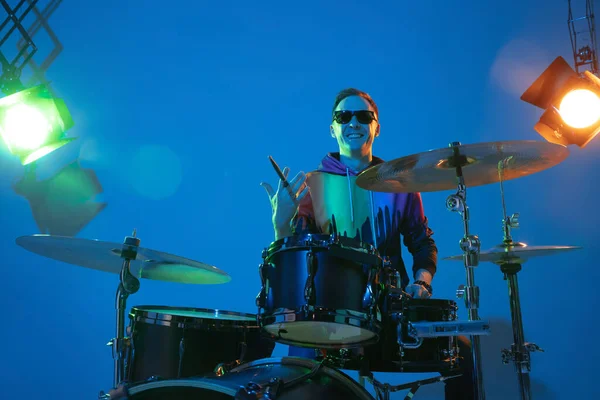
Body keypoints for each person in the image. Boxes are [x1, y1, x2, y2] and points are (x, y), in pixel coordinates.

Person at [260, 88, 475, 399]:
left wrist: (421, 283)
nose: (353, 123)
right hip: (326, 316)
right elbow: (292, 256)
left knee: (461, 352)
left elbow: (421, 241)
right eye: (343, 116)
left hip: (389, 311)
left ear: (376, 127)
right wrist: (280, 224)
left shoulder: (401, 183)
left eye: (363, 116)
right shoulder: (309, 185)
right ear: (332, 128)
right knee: (298, 379)